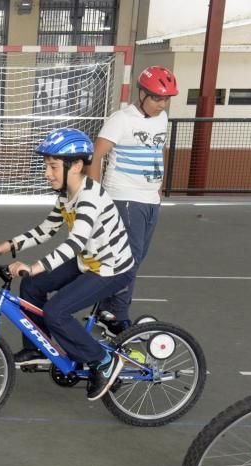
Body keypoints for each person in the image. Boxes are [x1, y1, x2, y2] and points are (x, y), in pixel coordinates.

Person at [0, 128, 135, 401]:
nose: (47, 173)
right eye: (46, 166)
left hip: (111, 268)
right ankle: (38, 348)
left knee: (56, 311)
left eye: (52, 166)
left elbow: (75, 242)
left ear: (75, 165)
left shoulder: (89, 197)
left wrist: (37, 265)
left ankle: (104, 362)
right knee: (32, 285)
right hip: (89, 259)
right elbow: (46, 230)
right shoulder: (66, 194)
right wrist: (6, 246)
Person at [88, 66, 178, 334]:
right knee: (129, 258)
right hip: (124, 198)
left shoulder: (161, 119)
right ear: (142, 94)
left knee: (135, 258)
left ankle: (107, 307)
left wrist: (159, 185)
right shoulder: (122, 119)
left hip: (149, 200)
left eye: (165, 99)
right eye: (156, 98)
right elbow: (96, 155)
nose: (161, 105)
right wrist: (96, 194)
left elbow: (160, 147)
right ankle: (115, 313)